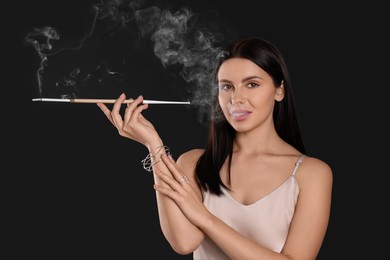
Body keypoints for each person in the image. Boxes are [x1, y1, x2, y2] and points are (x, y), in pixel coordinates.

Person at [97, 36, 333, 259]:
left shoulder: (311, 173)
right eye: (227, 87)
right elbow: (184, 243)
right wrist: (153, 145)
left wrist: (204, 218)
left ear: (279, 90)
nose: (236, 98)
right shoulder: (193, 163)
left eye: (252, 84)